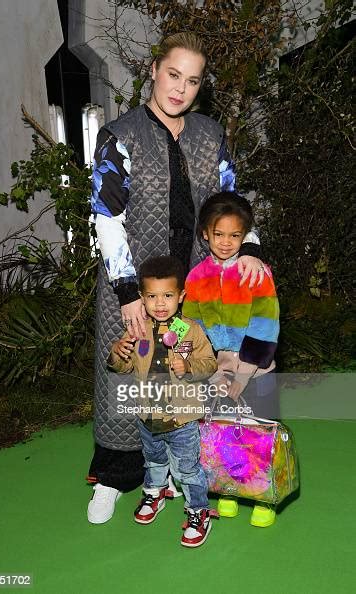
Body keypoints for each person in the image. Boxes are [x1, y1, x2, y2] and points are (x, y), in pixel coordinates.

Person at [87, 31, 265, 525]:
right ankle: (118, 479)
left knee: (192, 373)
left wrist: (248, 249)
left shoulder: (209, 133)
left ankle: (191, 475)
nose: (179, 89)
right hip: (136, 287)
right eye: (172, 74)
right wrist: (127, 293)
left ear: (199, 87)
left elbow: (230, 199)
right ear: (154, 70)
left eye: (191, 80)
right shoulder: (119, 134)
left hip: (199, 285)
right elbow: (106, 217)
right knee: (133, 377)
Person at [182, 191, 280, 527]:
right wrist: (196, 367)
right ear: (205, 234)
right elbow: (191, 330)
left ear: (245, 234)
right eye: (218, 234)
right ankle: (228, 490)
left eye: (235, 235)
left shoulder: (257, 272)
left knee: (258, 433)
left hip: (258, 373)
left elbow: (266, 327)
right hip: (216, 376)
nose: (226, 243)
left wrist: (242, 376)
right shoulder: (195, 277)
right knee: (223, 435)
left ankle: (263, 497)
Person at [109, 256, 218, 547]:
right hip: (147, 416)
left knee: (188, 469)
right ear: (142, 299)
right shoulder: (137, 329)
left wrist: (190, 368)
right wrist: (118, 352)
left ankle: (198, 511)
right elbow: (123, 366)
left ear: (181, 296)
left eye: (168, 295)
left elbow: (210, 363)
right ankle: (155, 492)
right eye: (152, 296)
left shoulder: (190, 329)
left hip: (181, 419)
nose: (160, 303)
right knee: (153, 460)